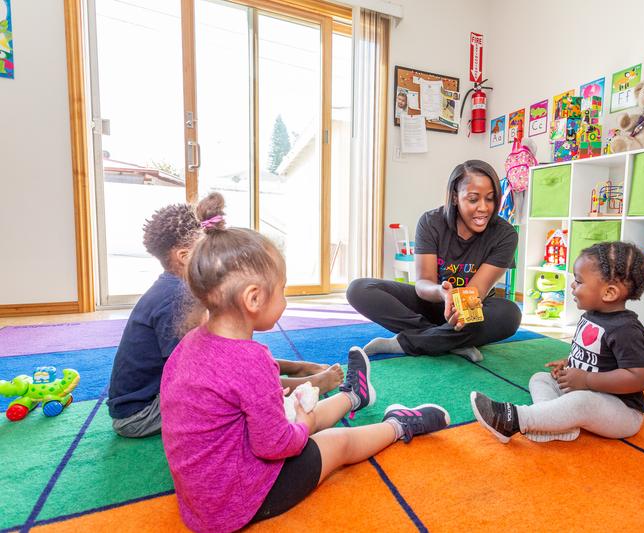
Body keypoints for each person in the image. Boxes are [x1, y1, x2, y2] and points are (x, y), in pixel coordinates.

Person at [160, 211, 450, 532]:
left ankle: (353, 395)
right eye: (282, 290)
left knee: (296, 410)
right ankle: (400, 425)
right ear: (254, 298)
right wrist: (304, 426)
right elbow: (277, 446)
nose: (284, 299)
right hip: (240, 500)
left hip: (203, 497)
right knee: (337, 441)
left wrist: (295, 417)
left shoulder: (190, 343)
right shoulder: (250, 360)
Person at [107, 193, 342, 439]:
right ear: (184, 257)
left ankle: (300, 373)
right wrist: (310, 383)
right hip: (139, 414)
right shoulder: (176, 299)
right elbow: (228, 375)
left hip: (153, 396)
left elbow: (229, 357)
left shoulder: (179, 289)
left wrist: (295, 367)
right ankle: (311, 383)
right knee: (242, 394)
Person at [471, 241, 644, 443]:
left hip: (622, 411)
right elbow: (598, 356)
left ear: (609, 293)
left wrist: (586, 380)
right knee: (540, 378)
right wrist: (572, 362)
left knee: (582, 401)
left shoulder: (626, 329)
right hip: (587, 390)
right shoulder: (592, 315)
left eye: (579, 281)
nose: (573, 285)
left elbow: (639, 378)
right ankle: (554, 426)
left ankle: (516, 419)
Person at [347, 160, 521, 363]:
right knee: (359, 289)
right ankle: (449, 340)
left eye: (490, 199)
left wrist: (457, 311)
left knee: (510, 314)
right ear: (455, 197)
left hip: (472, 309)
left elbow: (477, 291)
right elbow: (423, 283)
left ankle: (406, 342)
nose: (483, 208)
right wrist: (442, 292)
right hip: (432, 301)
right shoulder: (430, 222)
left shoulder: (505, 234)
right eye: (473, 199)